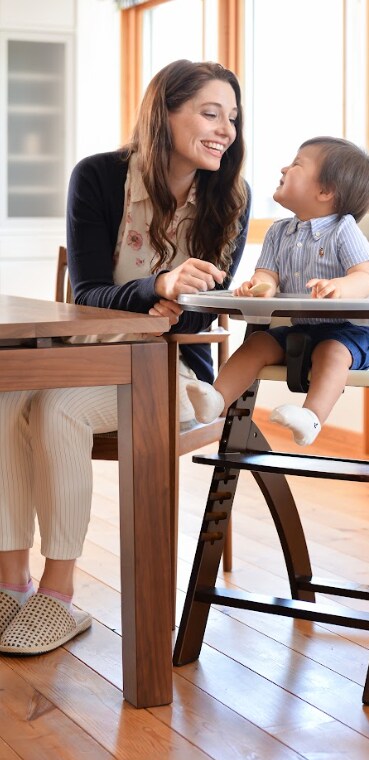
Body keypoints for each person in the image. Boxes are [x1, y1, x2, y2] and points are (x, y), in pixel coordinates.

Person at [0, 60, 250, 654]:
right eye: (210, 113)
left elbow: (199, 314)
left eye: (232, 118)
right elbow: (86, 294)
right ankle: (10, 582)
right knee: (6, 397)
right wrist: (158, 287)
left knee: (59, 409)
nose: (225, 130)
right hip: (85, 350)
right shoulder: (99, 177)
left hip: (170, 367)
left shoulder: (229, 198)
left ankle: (59, 596)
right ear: (164, 112)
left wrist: (168, 303)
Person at [187, 136, 369, 447]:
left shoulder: (343, 229)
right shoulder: (278, 232)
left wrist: (340, 287)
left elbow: (365, 277)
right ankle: (218, 399)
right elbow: (266, 273)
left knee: (331, 352)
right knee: (257, 344)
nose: (284, 168)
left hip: (353, 332)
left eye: (296, 164)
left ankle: (311, 417)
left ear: (325, 191)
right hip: (303, 330)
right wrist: (259, 287)